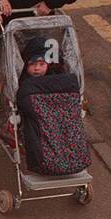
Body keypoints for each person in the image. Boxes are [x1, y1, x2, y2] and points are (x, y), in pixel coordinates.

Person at [16, 35, 90, 176]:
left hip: (56, 113)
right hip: (39, 113)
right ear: (25, 65)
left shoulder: (56, 76)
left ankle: (66, 159)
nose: (37, 69)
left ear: (48, 64)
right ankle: (65, 160)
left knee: (64, 128)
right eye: (32, 64)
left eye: (41, 64)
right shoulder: (23, 81)